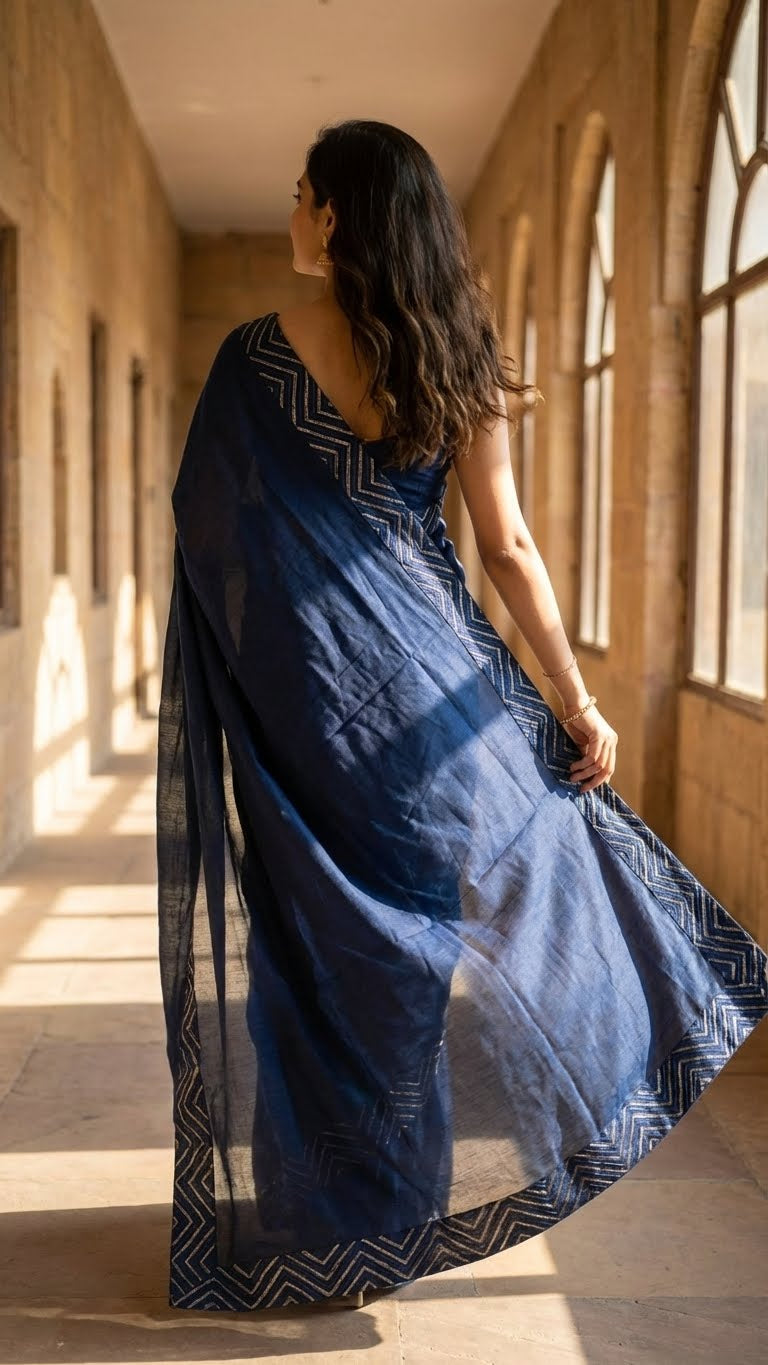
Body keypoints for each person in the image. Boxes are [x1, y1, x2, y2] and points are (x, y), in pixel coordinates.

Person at [156, 118, 768, 1314]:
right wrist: (575, 701)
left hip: (308, 719)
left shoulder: (247, 362)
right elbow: (511, 550)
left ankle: (333, 1221)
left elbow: (212, 537)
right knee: (417, 960)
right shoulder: (457, 355)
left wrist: (277, 659)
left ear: (335, 216)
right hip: (439, 720)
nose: (291, 211)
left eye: (300, 194)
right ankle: (402, 1205)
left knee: (319, 953)